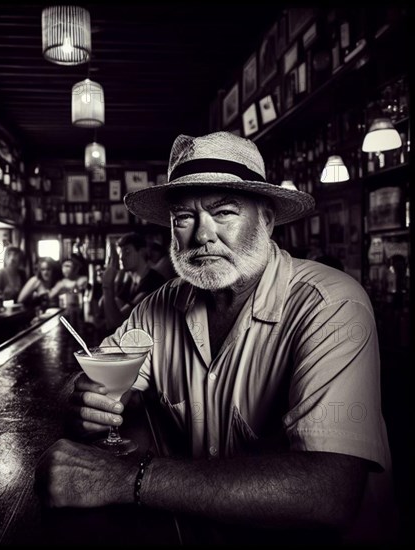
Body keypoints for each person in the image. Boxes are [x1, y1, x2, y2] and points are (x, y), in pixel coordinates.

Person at [35, 132, 397, 543]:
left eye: (223, 212)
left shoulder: (330, 304)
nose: (202, 235)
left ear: (267, 219)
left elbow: (329, 492)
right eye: (183, 218)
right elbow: (98, 380)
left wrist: (128, 479)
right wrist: (89, 401)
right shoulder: (159, 307)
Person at [100, 232, 166, 333]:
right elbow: (109, 309)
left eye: (127, 252)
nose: (121, 257)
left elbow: (116, 323)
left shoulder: (154, 282)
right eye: (120, 253)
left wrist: (107, 286)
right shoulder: (131, 281)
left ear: (142, 252)